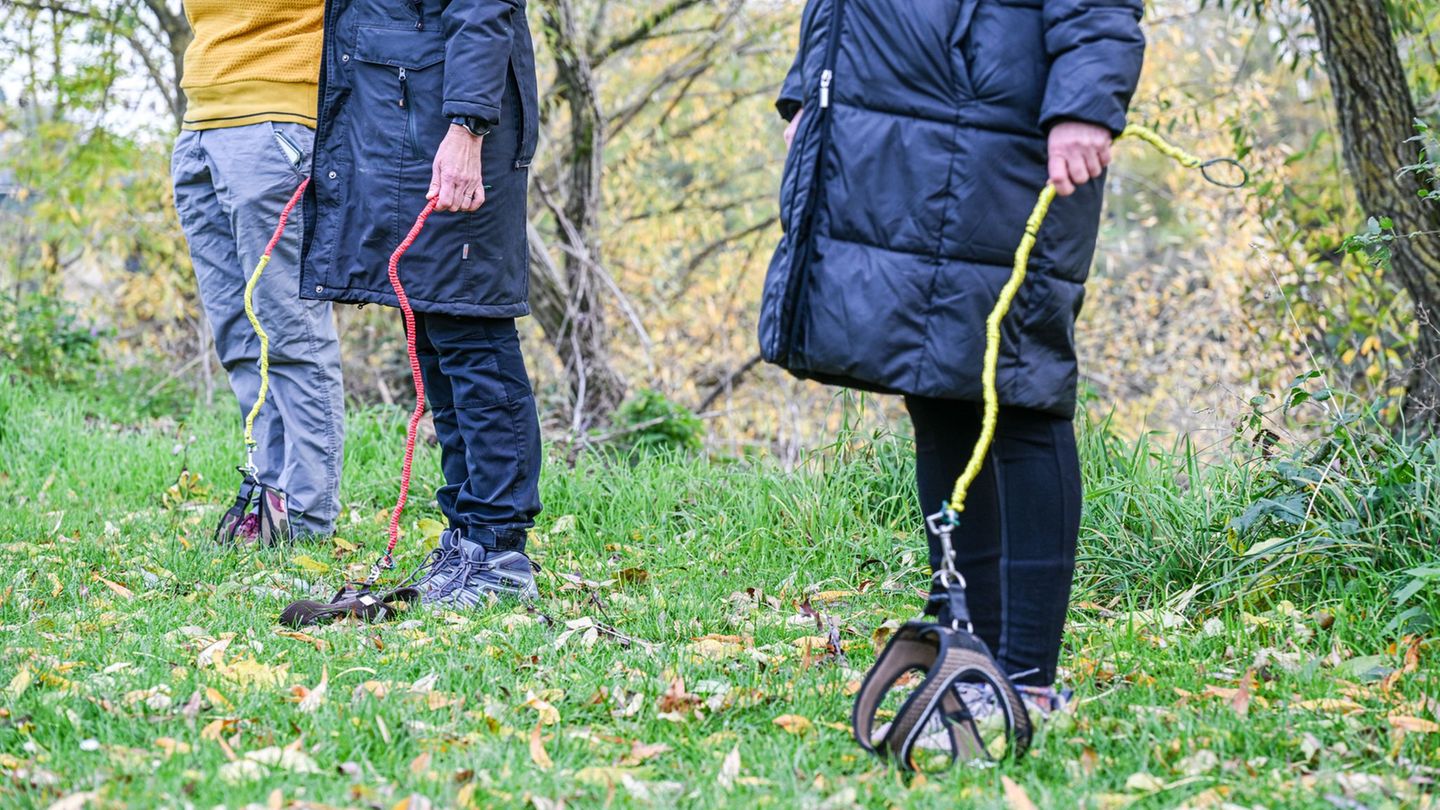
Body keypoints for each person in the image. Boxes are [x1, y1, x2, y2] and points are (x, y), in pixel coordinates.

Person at [763, 0, 1145, 715]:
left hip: (1007, 125)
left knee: (1023, 389)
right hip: (901, 128)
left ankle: (1026, 681)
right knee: (936, 387)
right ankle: (967, 661)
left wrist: (1087, 103)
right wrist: (813, 88)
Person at [299, 0, 543, 604]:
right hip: (412, 134)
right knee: (437, 335)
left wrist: (467, 127)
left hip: (456, 134)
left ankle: (500, 552)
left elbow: (483, 8)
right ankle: (466, 541)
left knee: (472, 333)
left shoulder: (465, 128)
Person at [172, 0, 345, 542]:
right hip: (200, 122)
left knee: (289, 330)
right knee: (238, 336)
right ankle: (270, 498)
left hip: (275, 122)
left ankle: (308, 517)